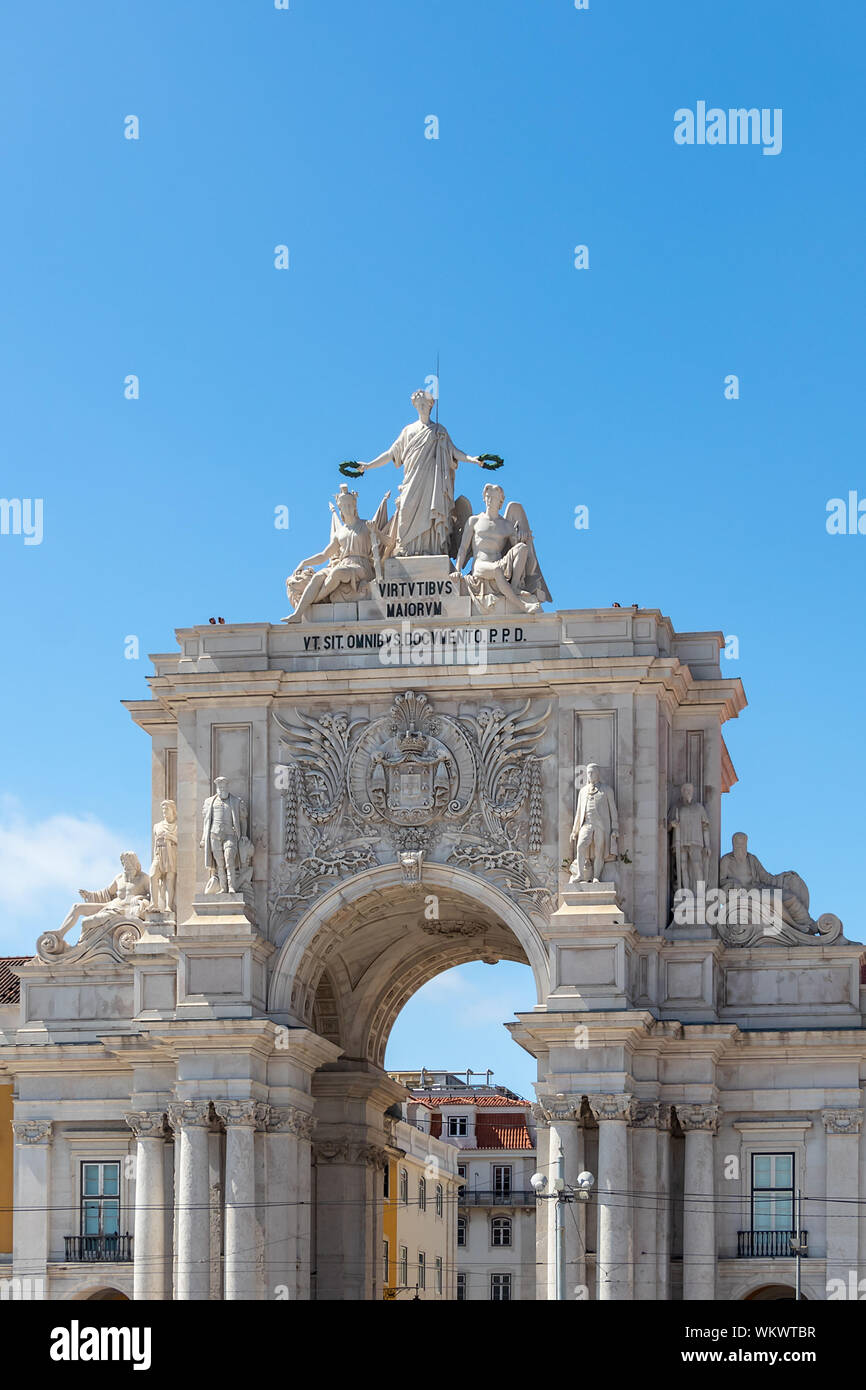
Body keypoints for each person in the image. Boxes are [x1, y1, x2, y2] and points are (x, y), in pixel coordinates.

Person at [357, 389, 483, 556]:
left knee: (432, 511)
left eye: (425, 403)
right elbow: (391, 454)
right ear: (415, 406)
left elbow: (453, 452)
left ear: (431, 406)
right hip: (412, 479)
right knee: (406, 511)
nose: (422, 407)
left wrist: (473, 459)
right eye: (419, 404)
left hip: (432, 481)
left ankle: (431, 550)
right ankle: (406, 550)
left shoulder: (439, 430)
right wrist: (368, 465)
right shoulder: (408, 431)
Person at [570, 764, 619, 883]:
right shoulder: (583, 791)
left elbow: (613, 810)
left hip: (601, 826)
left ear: (597, 774)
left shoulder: (606, 790)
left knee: (599, 852)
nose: (590, 775)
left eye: (592, 773)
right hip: (586, 824)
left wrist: (615, 828)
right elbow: (579, 813)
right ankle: (580, 874)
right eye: (588, 773)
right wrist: (574, 831)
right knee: (580, 846)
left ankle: (596, 876)